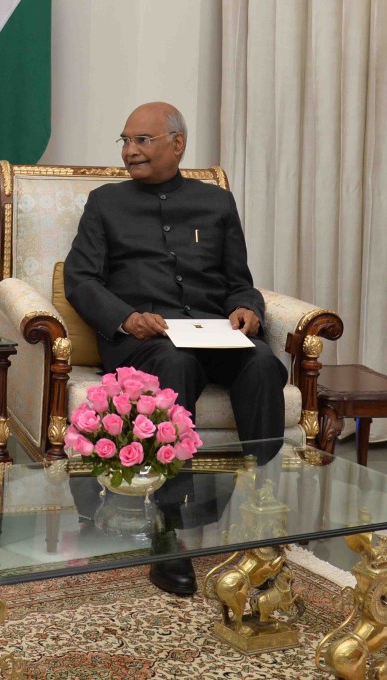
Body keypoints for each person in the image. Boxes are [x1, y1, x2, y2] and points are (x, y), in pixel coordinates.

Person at [63, 102, 288, 596]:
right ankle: (168, 537)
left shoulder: (216, 203)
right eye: (125, 140)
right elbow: (80, 279)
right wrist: (125, 317)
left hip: (213, 334)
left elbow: (240, 284)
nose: (129, 151)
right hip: (144, 342)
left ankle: (263, 516)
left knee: (263, 364)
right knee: (176, 363)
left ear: (177, 143)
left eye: (142, 140)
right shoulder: (105, 203)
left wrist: (248, 310)